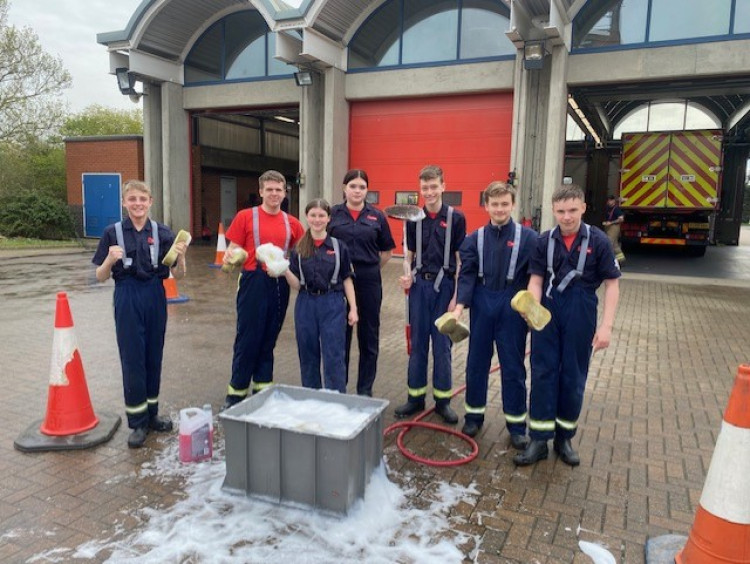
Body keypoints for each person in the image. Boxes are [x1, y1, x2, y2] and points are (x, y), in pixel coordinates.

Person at [514, 184, 620, 467]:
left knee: (573, 376)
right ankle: (538, 439)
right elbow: (535, 280)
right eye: (561, 211)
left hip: (581, 311)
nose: (567, 217)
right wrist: (532, 308)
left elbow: (612, 285)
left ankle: (564, 438)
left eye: (573, 210)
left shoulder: (598, 241)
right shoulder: (543, 240)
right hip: (547, 311)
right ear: (553, 210)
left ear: (583, 208)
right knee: (542, 372)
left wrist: (606, 327)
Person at [92, 180, 188, 449]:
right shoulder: (112, 233)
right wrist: (110, 260)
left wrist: (181, 257)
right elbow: (100, 277)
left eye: (142, 199)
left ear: (150, 202)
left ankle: (152, 415)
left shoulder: (163, 232)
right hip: (126, 294)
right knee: (132, 358)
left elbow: (179, 274)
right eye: (132, 199)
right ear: (124, 203)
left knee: (153, 356)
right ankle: (137, 423)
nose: (137, 204)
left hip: (155, 295)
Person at [450, 181, 537, 447]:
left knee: (513, 366)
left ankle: (516, 426)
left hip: (513, 305)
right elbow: (465, 276)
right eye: (494, 204)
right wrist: (459, 308)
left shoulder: (530, 238)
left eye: (504, 204)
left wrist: (532, 308)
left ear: (512, 205)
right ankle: (474, 417)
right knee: (477, 363)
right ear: (486, 205)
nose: (499, 209)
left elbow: (536, 275)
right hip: (482, 302)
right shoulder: (473, 239)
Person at [222, 170, 305, 410]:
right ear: (260, 191)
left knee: (269, 338)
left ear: (284, 192)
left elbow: (302, 255)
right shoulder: (245, 217)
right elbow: (233, 249)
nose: (274, 194)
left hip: (279, 285)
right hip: (253, 282)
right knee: (248, 338)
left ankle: (263, 390)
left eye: (278, 189)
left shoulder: (293, 224)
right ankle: (235, 394)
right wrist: (230, 257)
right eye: (269, 189)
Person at [394, 165, 466, 424]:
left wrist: (457, 297)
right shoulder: (414, 218)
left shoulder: (456, 219)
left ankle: (443, 401)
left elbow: (460, 261)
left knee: (443, 346)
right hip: (419, 289)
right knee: (417, 346)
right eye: (425, 187)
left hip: (445, 288)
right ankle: (415, 398)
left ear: (443, 186)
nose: (430, 191)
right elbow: (409, 256)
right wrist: (406, 275)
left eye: (434, 186)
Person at [328, 169, 395, 396]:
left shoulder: (377, 217)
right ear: (344, 188)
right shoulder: (332, 214)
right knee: (340, 336)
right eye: (353, 186)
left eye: (362, 187)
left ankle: (365, 390)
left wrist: (371, 269)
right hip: (338, 282)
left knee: (368, 337)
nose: (357, 191)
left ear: (367, 190)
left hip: (368, 281)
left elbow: (386, 251)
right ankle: (340, 387)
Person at [284, 199, 358, 392]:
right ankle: (312, 397)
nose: (317, 220)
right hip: (305, 303)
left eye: (321, 215)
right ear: (307, 217)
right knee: (307, 353)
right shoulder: (299, 248)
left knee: (334, 354)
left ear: (329, 218)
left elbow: (347, 279)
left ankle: (336, 399)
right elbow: (296, 285)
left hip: (332, 303)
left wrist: (353, 309)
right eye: (313, 215)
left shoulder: (339, 247)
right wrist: (283, 270)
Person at [603, 194, 625, 263]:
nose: (608, 202)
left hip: (614, 227)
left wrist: (611, 223)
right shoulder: (608, 207)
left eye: (610, 200)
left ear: (613, 201)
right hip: (608, 227)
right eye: (608, 201)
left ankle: (607, 261)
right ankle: (621, 260)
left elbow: (621, 219)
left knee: (609, 243)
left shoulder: (616, 209)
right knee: (615, 245)